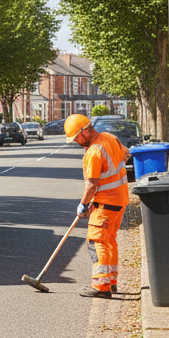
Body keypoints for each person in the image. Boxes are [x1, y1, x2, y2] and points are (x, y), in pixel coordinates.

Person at [65, 113, 129, 298]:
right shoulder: (110, 138)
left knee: (97, 241)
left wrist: (83, 204)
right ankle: (111, 281)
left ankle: (101, 287)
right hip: (120, 200)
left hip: (106, 204)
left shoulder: (94, 151)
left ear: (85, 131)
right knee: (109, 240)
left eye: (76, 137)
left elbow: (92, 183)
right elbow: (125, 155)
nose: (76, 141)